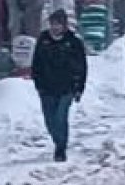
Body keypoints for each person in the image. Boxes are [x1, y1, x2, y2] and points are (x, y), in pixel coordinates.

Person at [31, 9, 87, 162]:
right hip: (47, 87)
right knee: (50, 119)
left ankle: (61, 147)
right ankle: (57, 140)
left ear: (64, 25)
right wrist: (38, 83)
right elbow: (36, 63)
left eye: (58, 24)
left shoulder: (74, 42)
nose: (55, 27)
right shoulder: (43, 40)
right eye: (53, 24)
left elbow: (82, 67)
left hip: (66, 87)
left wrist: (79, 88)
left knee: (61, 117)